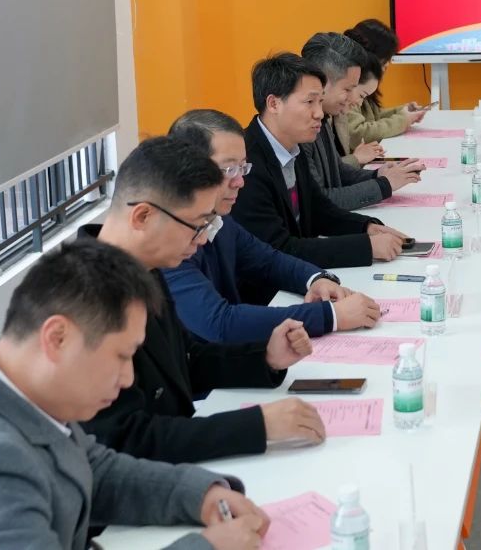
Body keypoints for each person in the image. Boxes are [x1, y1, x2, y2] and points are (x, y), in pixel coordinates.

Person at [0, 242, 270, 549]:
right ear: (57, 338)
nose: (128, 377)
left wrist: (200, 495)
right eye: (121, 356)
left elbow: (91, 468)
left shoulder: (14, 384)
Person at [80, 136, 327, 463]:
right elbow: (126, 440)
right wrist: (256, 425)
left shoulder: (145, 267)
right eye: (197, 225)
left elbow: (187, 360)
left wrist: (265, 358)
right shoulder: (83, 301)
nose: (203, 240)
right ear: (142, 217)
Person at [165, 108, 383, 342]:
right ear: (188, 171)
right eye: (229, 170)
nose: (240, 182)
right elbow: (220, 323)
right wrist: (331, 316)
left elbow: (267, 260)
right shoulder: (169, 243)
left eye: (243, 167)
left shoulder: (219, 219)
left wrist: (316, 279)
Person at [229, 53, 408, 295]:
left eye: (320, 101)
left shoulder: (292, 144)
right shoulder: (247, 163)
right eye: (309, 102)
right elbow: (279, 248)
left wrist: (366, 227)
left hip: (298, 279)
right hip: (267, 294)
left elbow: (319, 209)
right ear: (274, 104)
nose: (320, 113)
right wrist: (365, 247)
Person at [300, 31, 424, 210]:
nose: (353, 99)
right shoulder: (300, 128)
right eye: (347, 89)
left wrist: (378, 175)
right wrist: (384, 185)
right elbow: (320, 201)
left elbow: (338, 171)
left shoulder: (324, 117)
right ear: (321, 82)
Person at [336, 18, 427, 151]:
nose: (387, 64)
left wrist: (401, 111)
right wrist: (402, 121)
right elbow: (358, 133)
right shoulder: (350, 89)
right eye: (385, 58)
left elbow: (372, 117)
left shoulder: (362, 83)